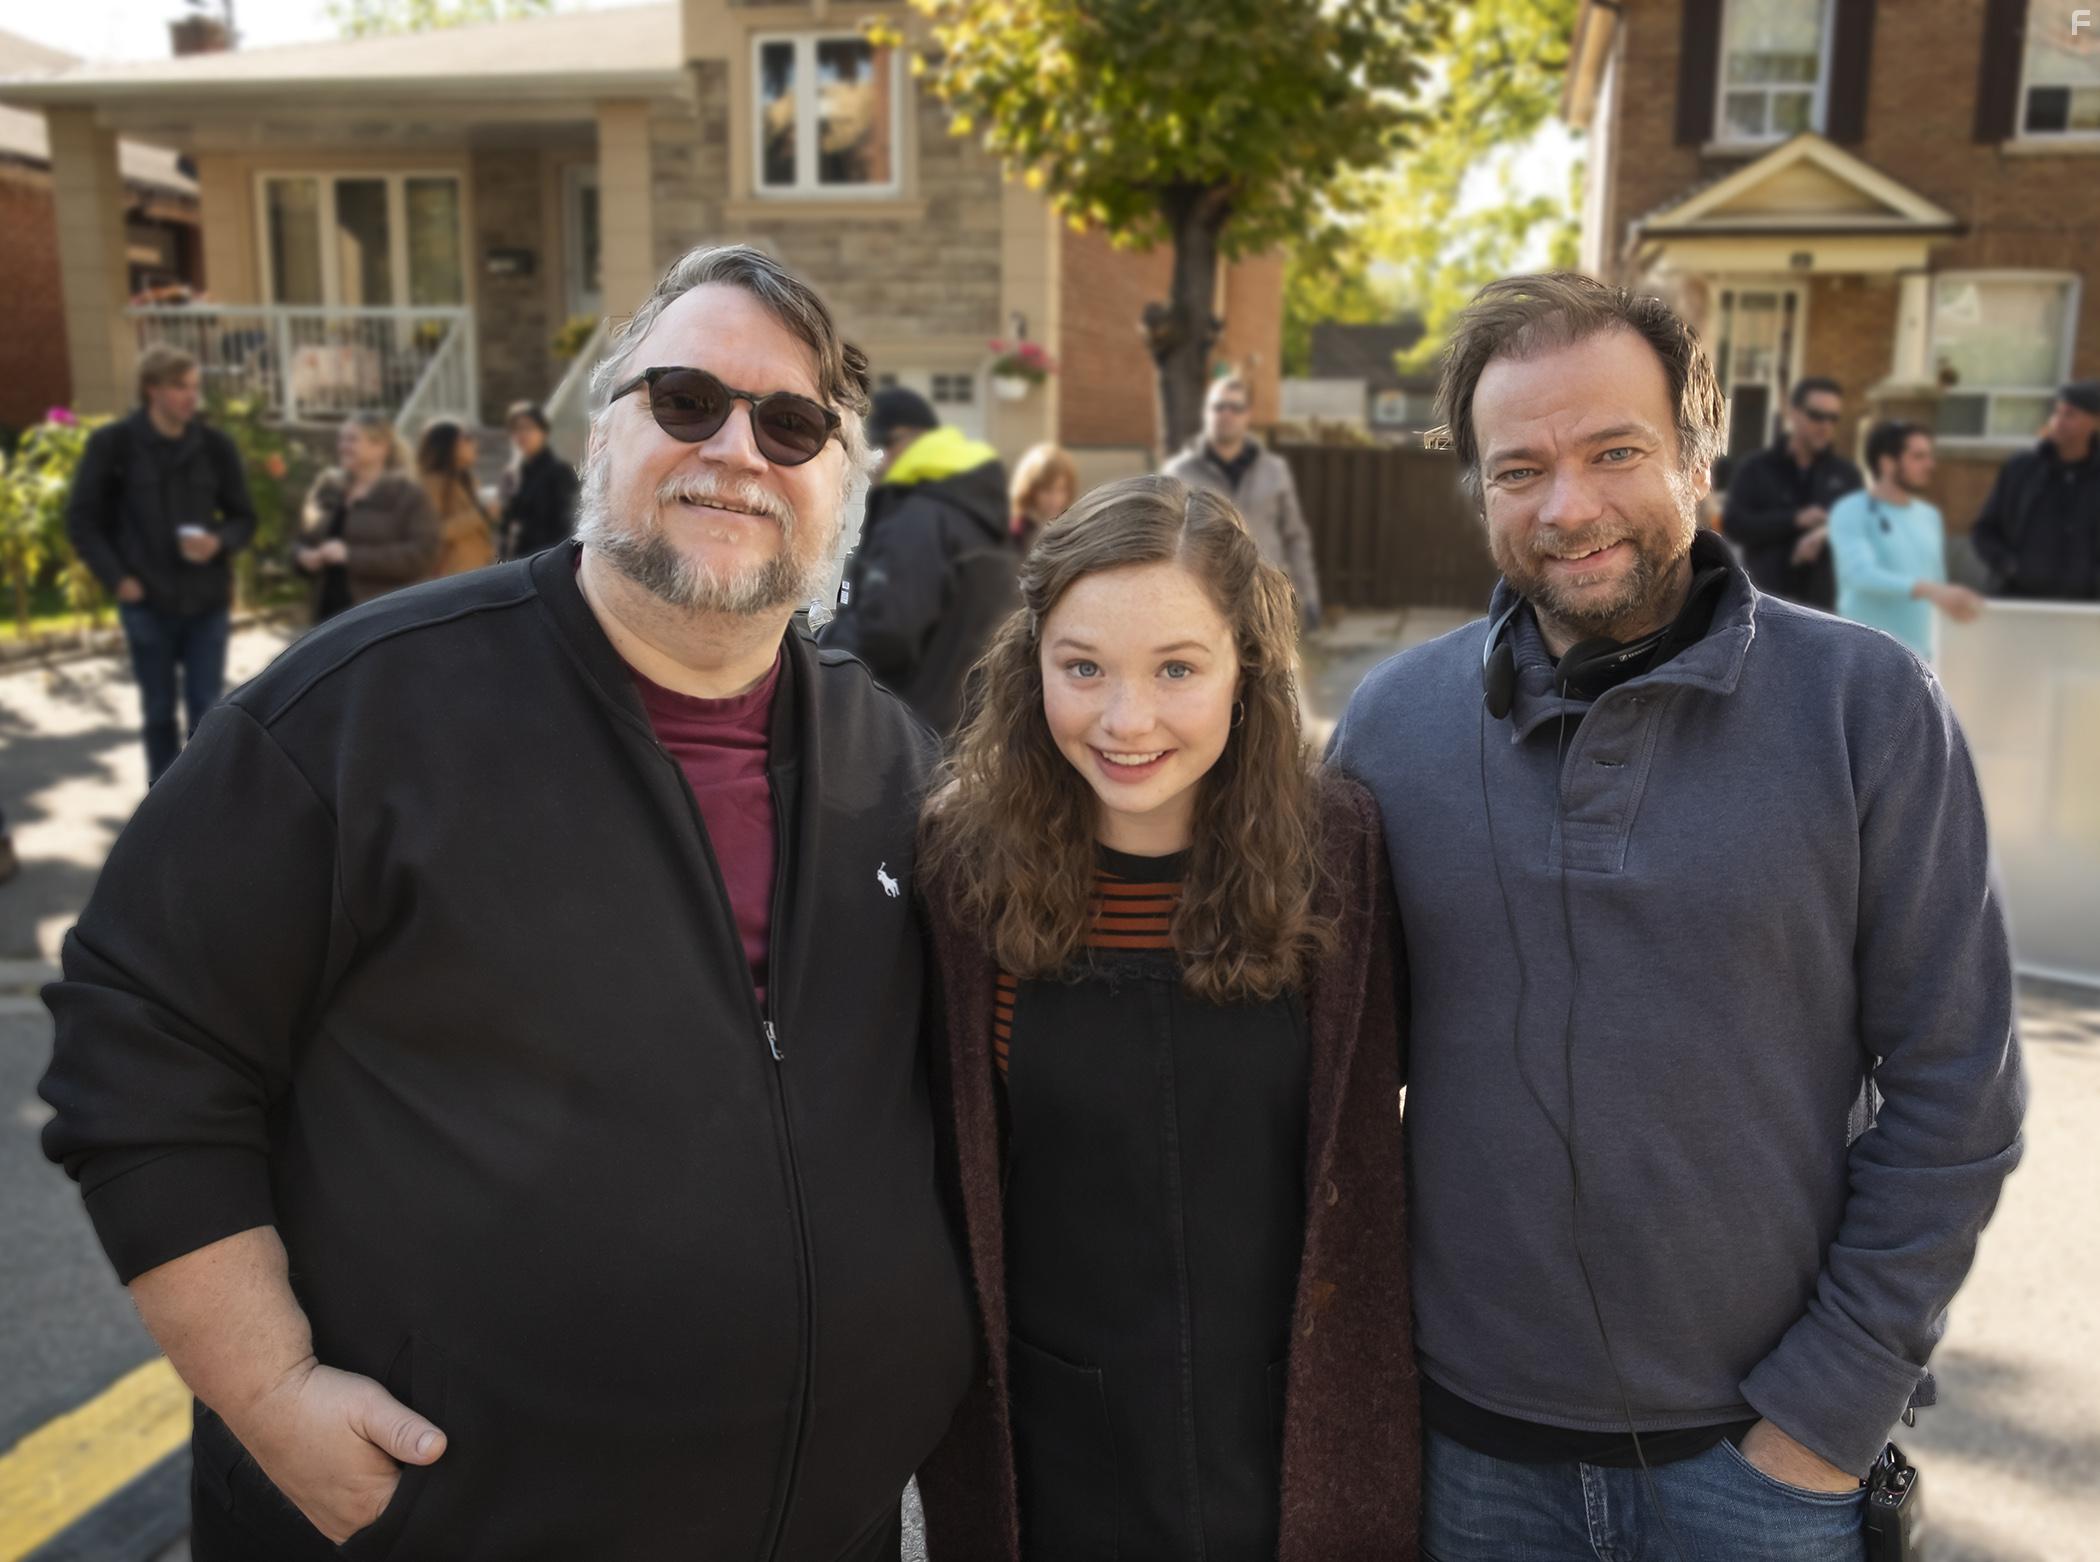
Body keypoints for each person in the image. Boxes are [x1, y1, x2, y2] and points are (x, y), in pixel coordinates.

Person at [39, 244, 974, 1561]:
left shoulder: (898, 759)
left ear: (839, 480)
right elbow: (139, 1044)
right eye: (688, 399)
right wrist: (269, 1391)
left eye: (792, 421)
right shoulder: (359, 714)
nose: (738, 451)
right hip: (437, 1524)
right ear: (607, 430)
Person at [1329, 272, 2024, 1561]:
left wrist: (1825, 1413)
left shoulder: (1864, 706)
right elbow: (1327, 1077)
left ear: (1697, 455)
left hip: (1760, 1463)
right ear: (1478, 489)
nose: (1568, 505)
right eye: (1519, 466)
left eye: (1614, 451)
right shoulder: (1392, 727)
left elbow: (1957, 1088)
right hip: (1472, 1457)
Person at [914, 474, 1417, 1560]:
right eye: (1082, 666)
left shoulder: (1340, 852)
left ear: (1247, 669)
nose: (1125, 718)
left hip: (1295, 1442)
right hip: (1054, 1459)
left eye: (1177, 667)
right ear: (1031, 660)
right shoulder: (961, 868)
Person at [64, 343, 257, 783]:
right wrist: (117, 578)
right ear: (152, 390)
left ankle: (204, 806)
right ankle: (161, 810)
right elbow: (83, 520)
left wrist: (219, 541)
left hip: (206, 600)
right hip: (145, 601)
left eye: (194, 387)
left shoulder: (215, 447)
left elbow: (244, 517)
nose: (192, 397)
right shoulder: (113, 445)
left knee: (208, 710)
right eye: (179, 387)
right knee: (156, 713)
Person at [820, 387, 1017, 733]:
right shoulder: (979, 506)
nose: (869, 468)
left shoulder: (917, 517)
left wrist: (820, 647)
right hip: (970, 724)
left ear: (900, 441)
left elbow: (884, 632)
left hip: (912, 731)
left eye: (872, 452)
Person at [1163, 376, 1323, 631]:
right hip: (1204, 599)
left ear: (1247, 415)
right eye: (1218, 406)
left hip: (1265, 600)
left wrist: (1309, 595)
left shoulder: (1274, 470)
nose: (1226, 414)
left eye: (1235, 408)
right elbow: (1163, 538)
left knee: (1273, 669)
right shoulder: (1179, 472)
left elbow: (1294, 536)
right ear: (1206, 412)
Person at [1829, 421, 1983, 660]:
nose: (1930, 465)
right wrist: (1930, 590)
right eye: (1918, 456)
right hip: (1864, 655)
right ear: (1887, 463)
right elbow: (1858, 574)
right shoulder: (1851, 510)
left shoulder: (1929, 516)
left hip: (1922, 660)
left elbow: (1937, 583)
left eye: (1930, 456)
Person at [1720, 375, 1862, 609]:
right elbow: (1735, 525)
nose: (1825, 425)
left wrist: (1826, 532)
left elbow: (1861, 532)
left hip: (1825, 611)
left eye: (1833, 418)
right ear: (1794, 413)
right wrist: (1794, 520)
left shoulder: (1846, 475)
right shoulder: (1756, 468)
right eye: (1817, 416)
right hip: (1765, 605)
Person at [293, 414, 439, 623]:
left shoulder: (407, 495)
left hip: (380, 619)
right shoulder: (328, 487)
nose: (343, 446)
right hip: (325, 618)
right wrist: (303, 557)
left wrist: (350, 556)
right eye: (341, 439)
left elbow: (423, 555)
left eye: (352, 439)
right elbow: (302, 539)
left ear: (380, 447)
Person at [1969, 380, 2100, 601]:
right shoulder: (2020, 469)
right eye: (2056, 412)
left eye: (2070, 414)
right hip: (2018, 601)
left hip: (2086, 610)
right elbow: (1984, 531)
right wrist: (2010, 567)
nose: (2058, 421)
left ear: (2095, 421)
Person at [498, 400, 581, 560]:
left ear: (543, 432)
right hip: (523, 561)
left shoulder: (559, 472)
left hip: (549, 561)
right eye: (516, 429)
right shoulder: (520, 472)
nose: (521, 434)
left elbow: (569, 524)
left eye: (528, 428)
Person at [414, 418, 496, 578]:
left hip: (481, 568)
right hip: (452, 574)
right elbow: (431, 533)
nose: (474, 444)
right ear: (447, 445)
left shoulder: (467, 479)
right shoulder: (431, 484)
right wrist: (481, 515)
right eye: (467, 439)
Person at [1008, 441, 1077, 552]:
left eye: (1061, 489)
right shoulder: (1016, 532)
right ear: (1030, 489)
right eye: (1047, 490)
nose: (1054, 498)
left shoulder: (1069, 529)